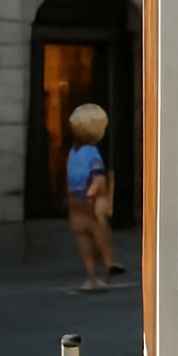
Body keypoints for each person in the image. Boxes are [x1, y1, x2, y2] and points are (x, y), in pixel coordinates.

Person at [66, 103, 120, 292]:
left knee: (86, 238)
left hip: (77, 201)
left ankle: (95, 273)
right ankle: (103, 268)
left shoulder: (76, 152)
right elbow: (98, 178)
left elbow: (81, 177)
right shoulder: (91, 153)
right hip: (86, 201)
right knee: (95, 235)